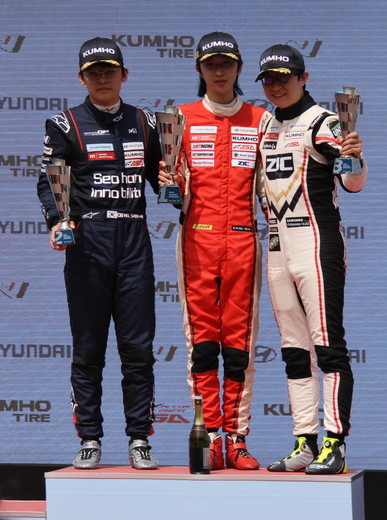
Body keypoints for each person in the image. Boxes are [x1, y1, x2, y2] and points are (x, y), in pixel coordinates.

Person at [37, 37, 161, 470]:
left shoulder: (147, 121)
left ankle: (139, 438)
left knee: (138, 349)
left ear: (125, 75)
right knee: (88, 348)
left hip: (133, 240)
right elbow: (50, 181)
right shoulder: (65, 123)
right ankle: (89, 437)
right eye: (94, 73)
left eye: (110, 71)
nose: (102, 78)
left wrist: (175, 185)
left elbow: (162, 177)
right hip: (88, 241)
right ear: (81, 78)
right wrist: (58, 220)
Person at [158, 31, 271, 470]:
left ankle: (236, 440)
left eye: (227, 64)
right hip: (197, 241)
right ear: (199, 70)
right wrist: (169, 182)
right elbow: (173, 182)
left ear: (239, 69)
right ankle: (205, 436)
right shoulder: (179, 119)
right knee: (202, 345)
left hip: (243, 240)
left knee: (239, 346)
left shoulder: (260, 119)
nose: (219, 72)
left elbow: (271, 186)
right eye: (211, 65)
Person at [255, 44, 367, 474]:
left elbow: (353, 184)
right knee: (294, 352)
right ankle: (305, 441)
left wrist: (355, 155)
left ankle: (335, 443)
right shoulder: (265, 126)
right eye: (269, 79)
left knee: (328, 346)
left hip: (316, 245)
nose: (276, 86)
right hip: (277, 248)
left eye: (284, 77)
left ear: (303, 78)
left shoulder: (324, 121)